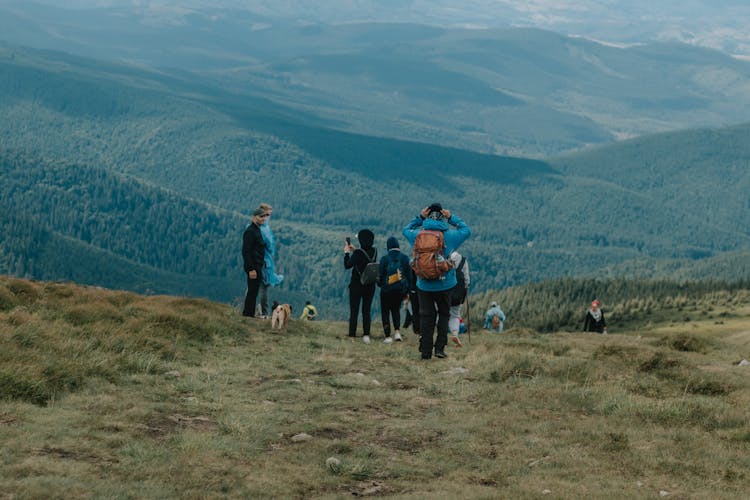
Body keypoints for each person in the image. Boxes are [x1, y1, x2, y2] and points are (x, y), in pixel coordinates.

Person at [403, 203, 471, 360]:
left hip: (423, 284)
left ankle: (425, 351)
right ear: (442, 215)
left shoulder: (418, 236)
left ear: (428, 215)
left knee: (426, 316)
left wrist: (420, 218)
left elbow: (405, 230)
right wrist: (451, 217)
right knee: (444, 314)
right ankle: (439, 348)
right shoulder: (450, 236)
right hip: (445, 284)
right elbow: (466, 230)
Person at [344, 229, 378, 343]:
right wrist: (356, 251)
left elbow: (347, 265)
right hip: (370, 285)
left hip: (356, 286)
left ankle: (352, 335)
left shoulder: (358, 253)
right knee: (366, 310)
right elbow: (364, 260)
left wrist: (347, 253)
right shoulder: (374, 251)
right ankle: (366, 335)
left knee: (354, 311)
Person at [378, 236, 411, 344]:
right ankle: (397, 332)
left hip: (386, 291)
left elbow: (380, 276)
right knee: (396, 310)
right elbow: (410, 276)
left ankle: (387, 336)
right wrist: (407, 290)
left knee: (385, 312)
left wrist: (380, 284)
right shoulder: (405, 258)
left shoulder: (384, 259)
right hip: (400, 290)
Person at [258, 203, 284, 319]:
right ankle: (264, 312)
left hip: (265, 260)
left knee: (256, 285)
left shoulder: (264, 226)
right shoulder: (261, 228)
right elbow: (267, 244)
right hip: (263, 261)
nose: (269, 216)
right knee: (263, 286)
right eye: (267, 214)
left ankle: (254, 309)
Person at [242, 208, 267, 318]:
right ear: (254, 217)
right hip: (253, 267)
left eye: (264, 217)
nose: (263, 219)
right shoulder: (250, 231)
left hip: (258, 266)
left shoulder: (257, 230)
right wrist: (251, 269)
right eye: (260, 216)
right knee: (252, 291)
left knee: (254, 291)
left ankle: (250, 314)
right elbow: (246, 251)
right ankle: (248, 314)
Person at [448, 250, 470, 347]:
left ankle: (442, 335)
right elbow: (467, 279)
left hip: (446, 290)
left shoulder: (445, 258)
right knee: (455, 315)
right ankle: (455, 334)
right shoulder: (463, 260)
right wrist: (465, 289)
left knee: (442, 313)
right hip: (458, 294)